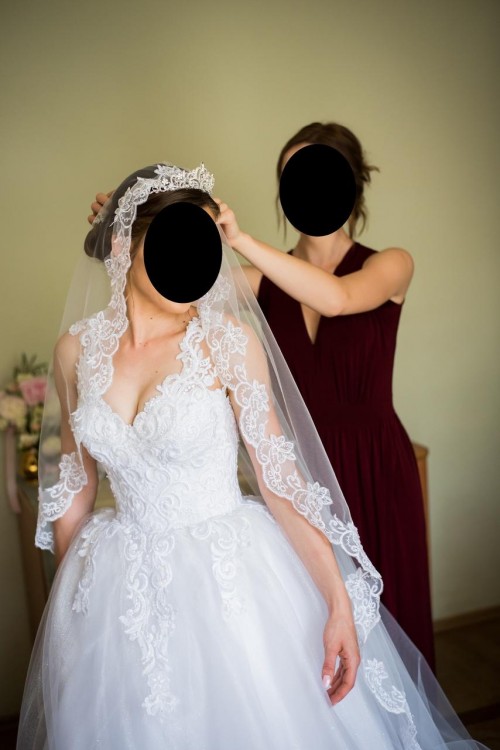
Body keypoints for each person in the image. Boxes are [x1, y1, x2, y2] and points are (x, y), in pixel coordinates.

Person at [20, 161, 485, 750]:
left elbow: (280, 480)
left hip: (229, 579)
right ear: (123, 245)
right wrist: (71, 609)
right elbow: (76, 486)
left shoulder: (226, 342)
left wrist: (338, 600)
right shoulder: (76, 350)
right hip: (117, 587)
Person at [214, 122, 435, 668]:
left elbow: (336, 299)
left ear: (351, 185)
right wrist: (127, 223)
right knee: (315, 630)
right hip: (302, 475)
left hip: (377, 465)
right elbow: (167, 281)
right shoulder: (258, 283)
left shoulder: (391, 264)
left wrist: (241, 241)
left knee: (393, 616)